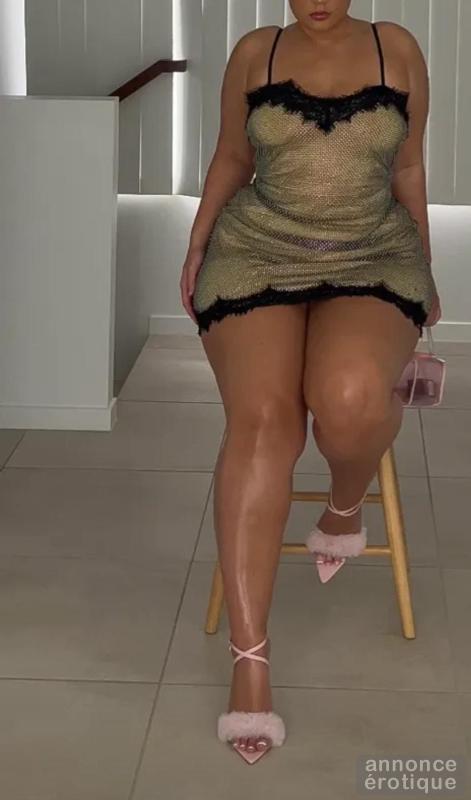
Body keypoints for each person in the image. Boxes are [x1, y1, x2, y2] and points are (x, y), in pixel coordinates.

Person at [180, 0, 441, 765]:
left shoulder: (396, 48)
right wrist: (196, 245)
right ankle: (250, 661)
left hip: (373, 251)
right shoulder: (255, 51)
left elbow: (408, 166)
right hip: (255, 249)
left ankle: (342, 507)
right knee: (263, 422)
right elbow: (232, 157)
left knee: (350, 397)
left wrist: (426, 265)